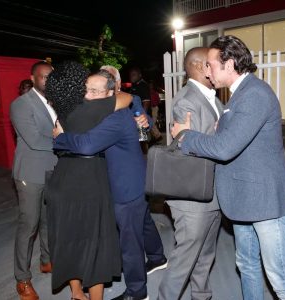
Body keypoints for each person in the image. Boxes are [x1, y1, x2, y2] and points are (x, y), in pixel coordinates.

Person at [171, 35, 285, 300]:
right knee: (248, 266)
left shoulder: (254, 94)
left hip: (266, 204)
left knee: (279, 278)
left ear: (228, 64)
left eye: (210, 65)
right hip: (244, 202)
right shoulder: (237, 96)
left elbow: (224, 148)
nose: (207, 71)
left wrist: (185, 134)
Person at [53, 72, 167, 300]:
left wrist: (60, 137)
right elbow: (131, 100)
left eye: (95, 91)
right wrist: (139, 112)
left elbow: (86, 145)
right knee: (142, 223)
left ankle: (137, 291)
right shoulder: (110, 111)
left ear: (110, 94)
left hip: (125, 186)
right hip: (135, 180)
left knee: (129, 241)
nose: (88, 95)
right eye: (86, 89)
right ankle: (157, 258)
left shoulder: (113, 118)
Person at [44, 64, 122, 300]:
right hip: (88, 181)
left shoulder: (61, 109)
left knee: (68, 239)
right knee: (95, 240)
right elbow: (126, 97)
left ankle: (76, 292)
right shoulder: (93, 107)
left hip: (61, 180)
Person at [157, 47, 223, 300]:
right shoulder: (187, 100)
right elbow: (190, 148)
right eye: (213, 62)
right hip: (191, 197)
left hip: (212, 192)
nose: (218, 65)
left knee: (205, 256)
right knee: (184, 260)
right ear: (200, 66)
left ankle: (201, 296)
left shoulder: (213, 98)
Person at [99, 65, 168, 276]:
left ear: (118, 83)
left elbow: (144, 128)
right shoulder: (97, 103)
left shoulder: (131, 100)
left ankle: (135, 277)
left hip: (126, 169)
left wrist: (143, 122)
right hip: (111, 167)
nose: (106, 83)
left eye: (110, 79)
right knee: (143, 217)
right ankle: (157, 257)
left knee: (129, 222)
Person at [10, 61, 57, 300]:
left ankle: (47, 261)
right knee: (28, 227)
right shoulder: (21, 104)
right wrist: (66, 141)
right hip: (30, 173)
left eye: (51, 77)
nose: (47, 81)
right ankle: (22, 279)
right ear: (33, 77)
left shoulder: (54, 102)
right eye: (43, 77)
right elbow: (34, 140)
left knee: (48, 221)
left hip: (51, 170)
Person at [129, 67, 162, 143]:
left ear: (139, 75)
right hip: (136, 114)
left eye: (134, 75)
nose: (131, 77)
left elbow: (146, 102)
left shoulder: (142, 85)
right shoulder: (134, 85)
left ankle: (145, 150)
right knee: (140, 137)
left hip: (140, 115)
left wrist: (143, 115)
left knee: (142, 138)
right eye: (130, 75)